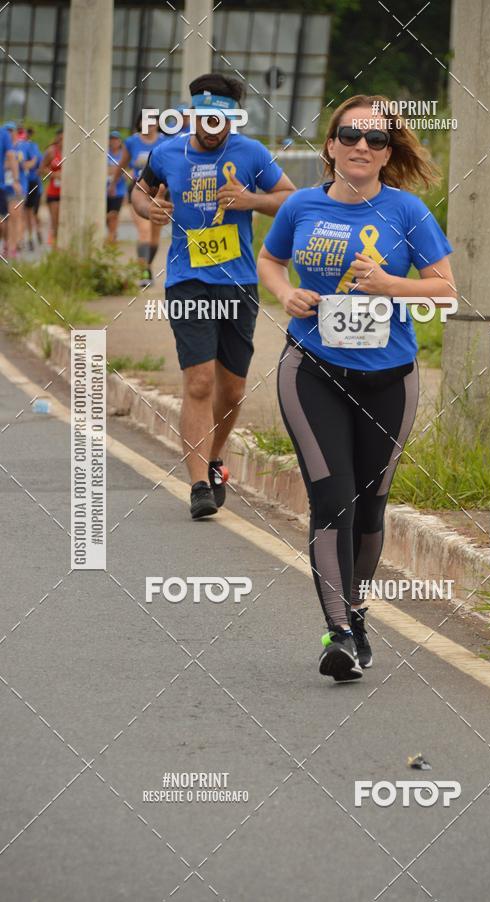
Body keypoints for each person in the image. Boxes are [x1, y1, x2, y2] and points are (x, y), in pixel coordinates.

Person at [258, 95, 456, 681]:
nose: (361, 147)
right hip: (312, 369)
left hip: (389, 378)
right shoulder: (301, 205)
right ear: (331, 145)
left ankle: (358, 611)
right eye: (350, 136)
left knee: (370, 507)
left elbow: (445, 289)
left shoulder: (407, 211)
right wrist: (285, 293)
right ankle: (339, 633)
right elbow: (270, 260)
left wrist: (390, 285)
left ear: (387, 152)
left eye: (375, 139)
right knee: (333, 498)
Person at [132, 72, 295, 519]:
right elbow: (139, 192)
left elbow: (289, 197)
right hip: (187, 280)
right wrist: (149, 208)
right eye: (204, 118)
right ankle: (199, 485)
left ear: (232, 119)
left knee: (234, 389)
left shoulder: (251, 153)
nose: (212, 127)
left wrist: (251, 200)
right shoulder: (167, 153)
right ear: (192, 115)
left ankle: (214, 455)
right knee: (200, 381)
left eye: (220, 120)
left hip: (238, 281)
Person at [113, 113, 164, 286]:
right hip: (138, 191)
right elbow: (122, 164)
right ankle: (144, 273)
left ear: (158, 124)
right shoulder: (132, 142)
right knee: (144, 231)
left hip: (160, 193)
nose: (149, 125)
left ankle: (147, 267)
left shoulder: (165, 142)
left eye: (153, 121)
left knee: (155, 236)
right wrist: (113, 184)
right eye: (145, 121)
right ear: (140, 123)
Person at [0, 122, 22, 258]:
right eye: (8, 130)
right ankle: (7, 245)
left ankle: (12, 247)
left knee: (14, 217)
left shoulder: (21, 147)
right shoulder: (5, 143)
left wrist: (16, 180)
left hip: (15, 188)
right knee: (5, 219)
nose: (10, 133)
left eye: (12, 130)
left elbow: (28, 164)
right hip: (4, 186)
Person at [20, 128, 43, 250]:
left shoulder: (33, 147)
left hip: (34, 184)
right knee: (25, 213)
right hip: (24, 184)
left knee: (32, 213)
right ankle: (26, 239)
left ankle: (34, 233)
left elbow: (37, 164)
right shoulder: (18, 146)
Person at [40, 129, 63, 245]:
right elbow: (42, 169)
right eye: (60, 138)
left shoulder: (72, 151)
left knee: (63, 221)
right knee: (55, 220)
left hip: (67, 192)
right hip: (53, 192)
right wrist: (54, 174)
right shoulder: (51, 151)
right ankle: (55, 244)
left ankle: (61, 243)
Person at [106, 130, 126, 244]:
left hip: (119, 190)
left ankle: (112, 237)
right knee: (106, 216)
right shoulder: (105, 153)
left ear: (120, 141)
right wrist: (118, 170)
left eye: (116, 140)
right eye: (111, 139)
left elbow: (128, 171)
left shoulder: (124, 154)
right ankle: (112, 233)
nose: (114, 142)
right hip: (104, 190)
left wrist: (116, 171)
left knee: (114, 214)